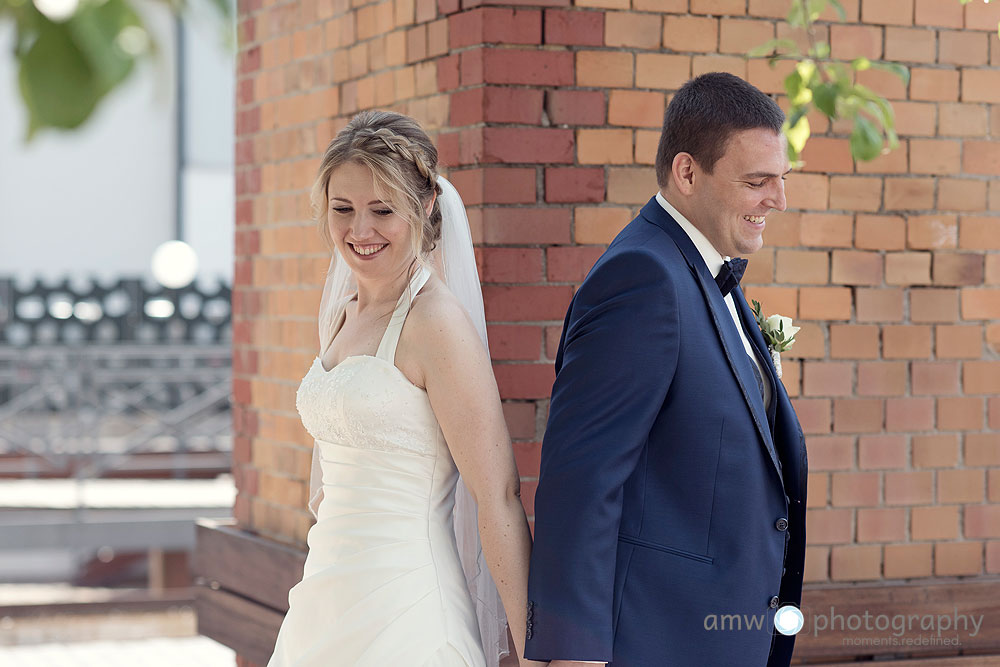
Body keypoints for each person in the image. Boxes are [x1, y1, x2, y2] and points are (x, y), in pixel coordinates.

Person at [524, 73, 808, 667]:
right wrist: (574, 654)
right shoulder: (642, 277)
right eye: (757, 182)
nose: (778, 200)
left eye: (781, 180)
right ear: (687, 173)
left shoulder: (703, 269)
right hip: (657, 640)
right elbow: (583, 481)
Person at [268, 110, 541, 667]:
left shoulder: (436, 323)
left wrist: (534, 649)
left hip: (408, 610)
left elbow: (498, 497)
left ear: (425, 207)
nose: (359, 231)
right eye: (342, 209)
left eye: (382, 210)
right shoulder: (343, 314)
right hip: (325, 597)